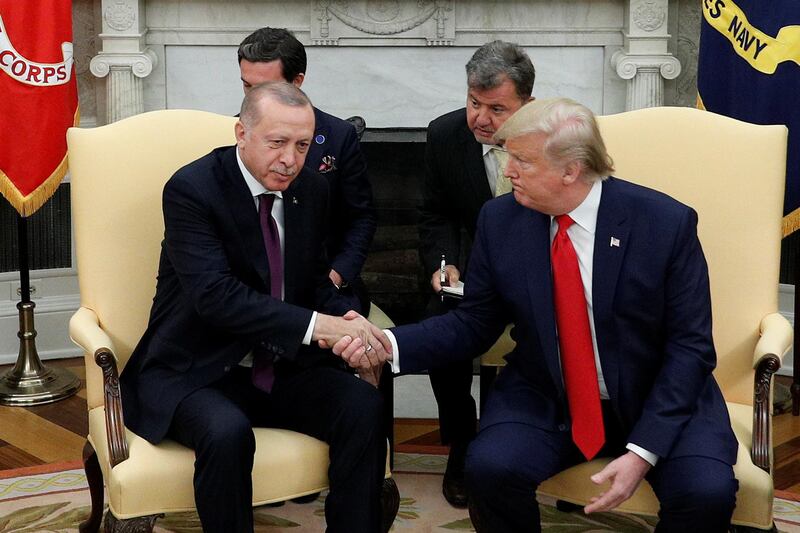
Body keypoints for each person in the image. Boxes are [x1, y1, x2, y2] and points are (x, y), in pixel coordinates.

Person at [336, 98, 740, 533]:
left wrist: (643, 451)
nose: (507, 172)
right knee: (490, 468)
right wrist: (386, 344)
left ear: (571, 169)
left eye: (522, 161)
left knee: (705, 493)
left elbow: (690, 347)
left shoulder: (665, 223)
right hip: (548, 392)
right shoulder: (501, 219)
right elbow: (473, 322)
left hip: (659, 394)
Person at [119, 82, 391, 533]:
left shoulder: (312, 190)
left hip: (279, 365)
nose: (290, 159)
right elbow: (216, 297)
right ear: (241, 133)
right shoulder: (192, 190)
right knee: (226, 434)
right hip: (195, 368)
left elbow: (316, 279)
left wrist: (347, 319)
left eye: (302, 145)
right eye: (277, 143)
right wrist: (316, 325)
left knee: (363, 406)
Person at [418, 39, 534, 507]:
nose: (480, 119)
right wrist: (444, 263)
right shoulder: (445, 135)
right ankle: (463, 442)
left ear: (527, 103)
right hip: (477, 281)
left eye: (497, 108)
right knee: (437, 328)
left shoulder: (560, 135)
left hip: (544, 277)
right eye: (473, 102)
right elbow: (436, 214)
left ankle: (540, 438)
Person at [238, 27, 376, 314]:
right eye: (247, 86)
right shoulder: (234, 135)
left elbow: (360, 218)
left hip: (324, 287)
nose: (253, 99)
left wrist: (335, 276)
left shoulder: (338, 136)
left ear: (297, 81)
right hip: (250, 292)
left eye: (266, 87)